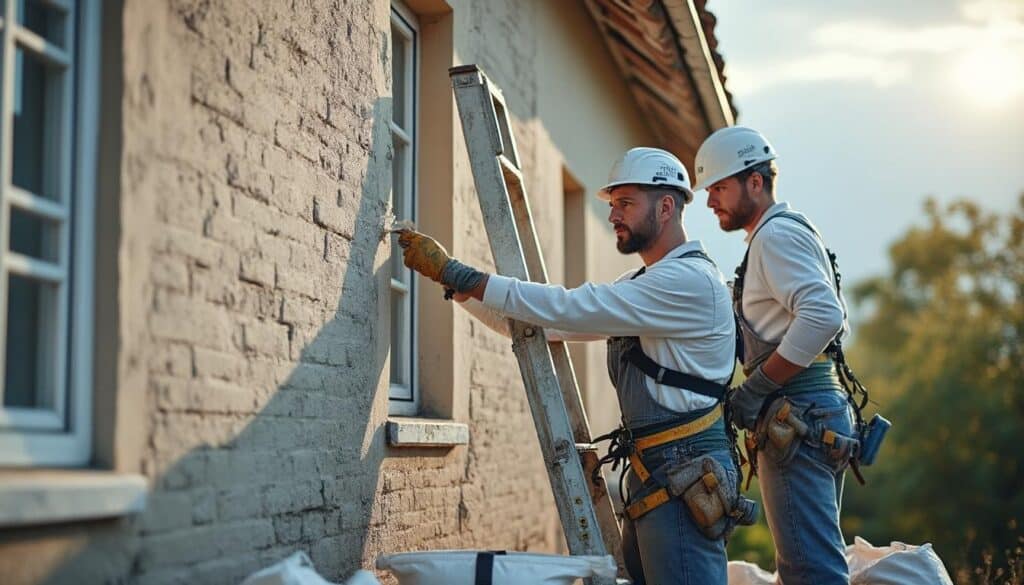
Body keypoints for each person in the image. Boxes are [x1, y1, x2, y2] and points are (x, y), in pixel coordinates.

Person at [397, 147, 750, 584]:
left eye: (626, 203)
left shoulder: (688, 283)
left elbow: (566, 308)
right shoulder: (646, 285)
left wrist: (466, 275)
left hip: (685, 472)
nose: (613, 216)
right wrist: (456, 285)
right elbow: (544, 327)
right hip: (659, 471)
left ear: (665, 207)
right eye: (612, 204)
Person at [695, 126, 858, 584]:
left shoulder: (774, 238)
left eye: (719, 188)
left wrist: (759, 386)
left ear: (755, 181)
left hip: (797, 417)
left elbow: (825, 316)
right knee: (811, 563)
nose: (710, 202)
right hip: (813, 413)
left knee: (810, 571)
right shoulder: (782, 233)